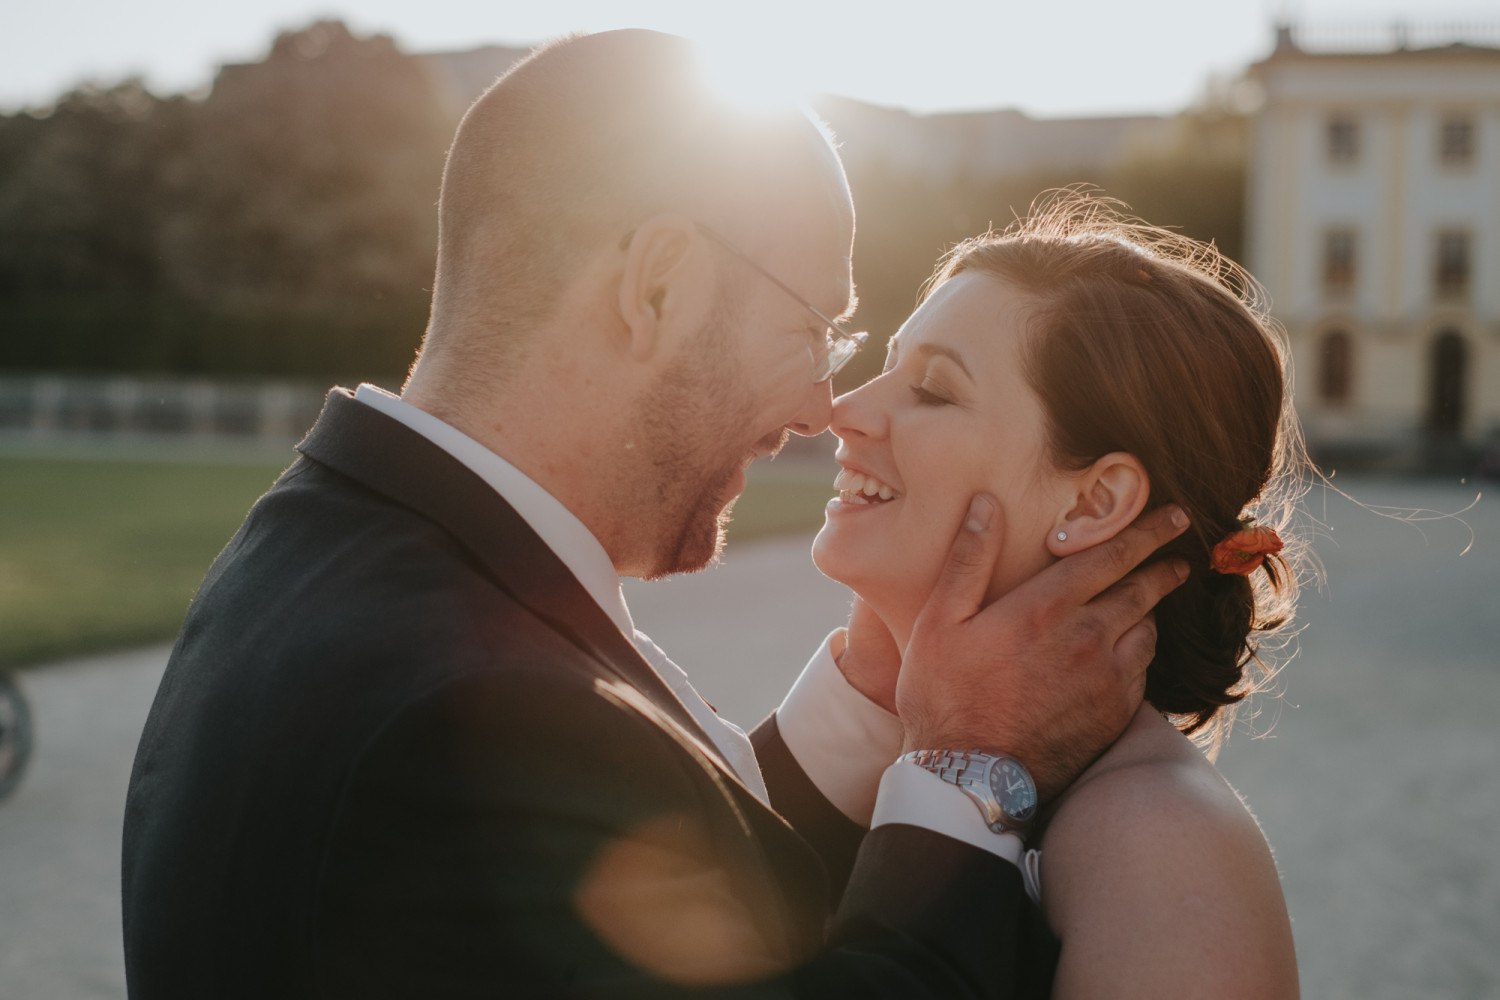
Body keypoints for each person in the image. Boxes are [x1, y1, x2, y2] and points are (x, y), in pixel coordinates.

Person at [120, 32, 1189, 998]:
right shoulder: (470, 711)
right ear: (660, 286)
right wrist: (972, 765)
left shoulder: (331, 552)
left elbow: (666, 896)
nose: (824, 406)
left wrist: (871, 698)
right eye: (816, 326)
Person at [811, 194, 1304, 998]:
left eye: (932, 390)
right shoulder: (883, 742)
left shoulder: (1156, 840)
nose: (846, 409)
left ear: (1092, 504)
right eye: (889, 365)